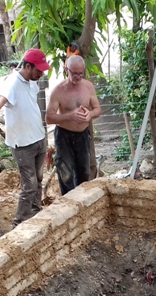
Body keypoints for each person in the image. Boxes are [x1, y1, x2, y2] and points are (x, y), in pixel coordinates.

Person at [0, 49, 50, 228]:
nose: (41, 74)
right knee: (30, 185)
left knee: (39, 178)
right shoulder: (12, 81)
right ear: (28, 66)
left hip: (38, 137)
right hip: (23, 144)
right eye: (38, 70)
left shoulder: (31, 81)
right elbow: (2, 98)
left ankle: (35, 212)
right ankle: (19, 223)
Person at [45, 54, 102, 195]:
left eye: (81, 73)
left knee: (83, 172)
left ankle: (81, 201)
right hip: (64, 136)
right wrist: (70, 116)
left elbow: (97, 109)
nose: (78, 76)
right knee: (66, 174)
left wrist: (90, 115)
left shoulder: (88, 87)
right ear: (66, 69)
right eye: (74, 73)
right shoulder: (58, 90)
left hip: (82, 135)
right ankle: (67, 202)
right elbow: (49, 118)